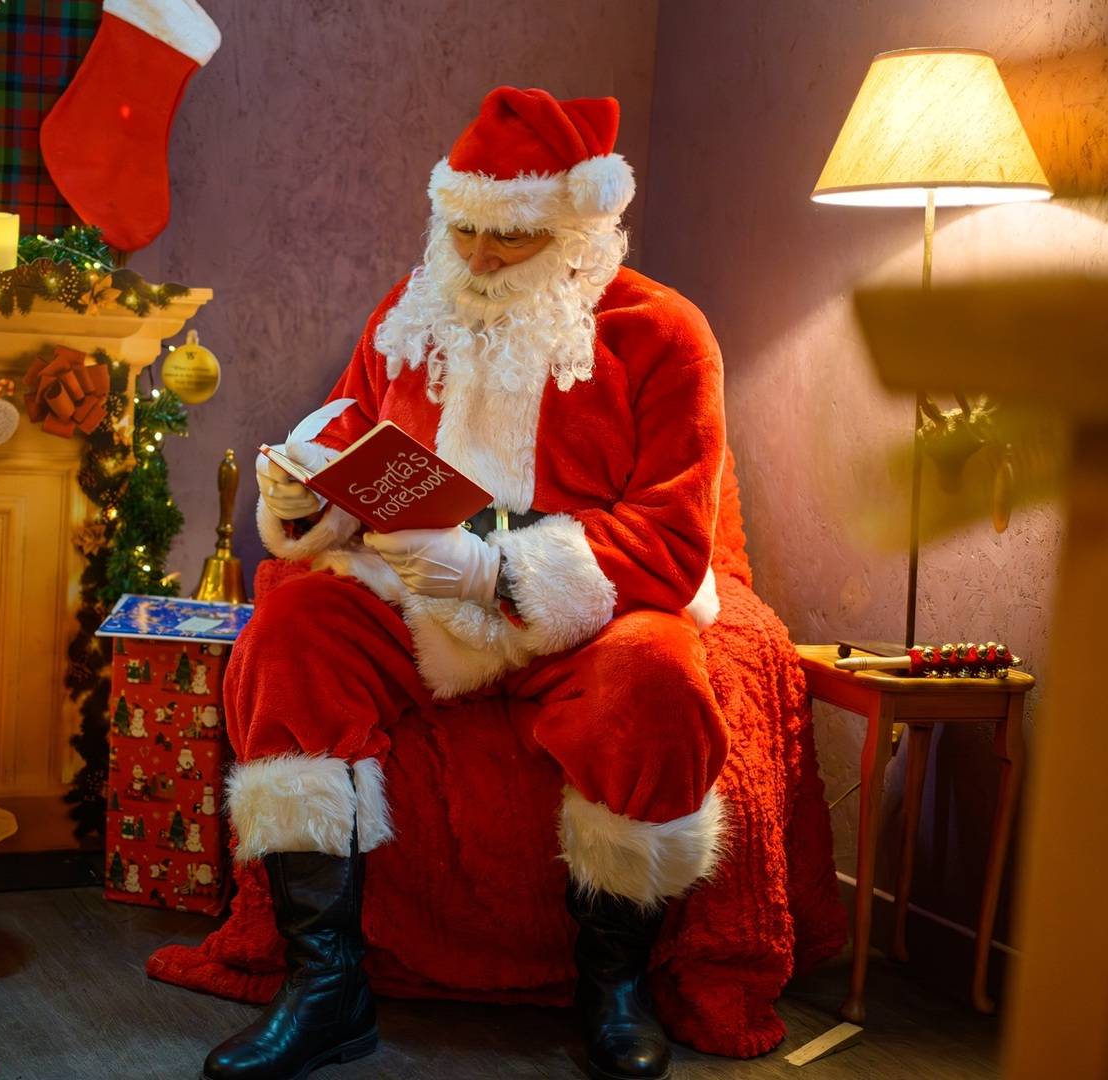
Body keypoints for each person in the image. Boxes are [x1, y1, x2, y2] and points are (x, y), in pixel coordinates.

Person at [201, 87, 728, 1080]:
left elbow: (671, 542)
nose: (479, 258)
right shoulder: (412, 310)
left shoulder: (665, 334)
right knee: (292, 623)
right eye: (465, 228)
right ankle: (327, 987)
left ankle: (612, 985)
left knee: (660, 680)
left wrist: (494, 565)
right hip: (412, 599)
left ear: (577, 226)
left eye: (511, 238)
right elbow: (352, 435)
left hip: (581, 624)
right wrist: (302, 490)